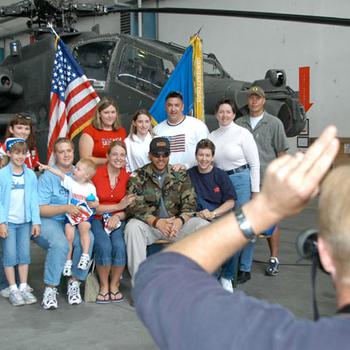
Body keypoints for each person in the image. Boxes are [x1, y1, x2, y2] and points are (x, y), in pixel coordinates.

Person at [134, 126, 348, 350]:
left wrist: (266, 208)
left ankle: (227, 277)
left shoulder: (284, 340)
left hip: (207, 218)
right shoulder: (186, 173)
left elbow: (159, 278)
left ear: (323, 253)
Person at [125, 137, 208, 284]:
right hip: (151, 226)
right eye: (157, 155)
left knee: (204, 227)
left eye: (165, 154)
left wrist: (179, 221)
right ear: (149, 155)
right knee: (132, 227)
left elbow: (190, 203)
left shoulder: (180, 175)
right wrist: (156, 222)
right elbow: (133, 205)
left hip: (176, 225)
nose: (161, 158)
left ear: (170, 155)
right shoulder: (138, 175)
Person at [35, 137, 94, 309]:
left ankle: (74, 282)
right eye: (61, 151)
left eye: (69, 150)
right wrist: (65, 208)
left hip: (73, 221)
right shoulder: (48, 176)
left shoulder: (81, 172)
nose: (66, 155)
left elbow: (88, 196)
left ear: (73, 152)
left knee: (88, 237)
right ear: (55, 154)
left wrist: (91, 203)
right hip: (50, 220)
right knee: (60, 244)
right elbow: (40, 209)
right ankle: (50, 288)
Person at [236, 86, 289, 276]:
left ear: (263, 100)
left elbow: (281, 153)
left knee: (270, 220)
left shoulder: (274, 124)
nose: (254, 101)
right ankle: (242, 261)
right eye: (251, 97)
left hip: (266, 181)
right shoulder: (239, 123)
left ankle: (274, 257)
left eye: (258, 98)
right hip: (244, 179)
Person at [209, 98, 260, 285]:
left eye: (228, 112)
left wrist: (255, 192)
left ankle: (244, 267)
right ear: (216, 114)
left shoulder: (242, 133)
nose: (224, 115)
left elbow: (254, 164)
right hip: (221, 182)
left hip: (240, 180)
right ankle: (227, 267)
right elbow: (206, 159)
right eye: (221, 112)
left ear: (234, 114)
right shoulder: (212, 135)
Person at [188, 139, 237, 292]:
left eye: (207, 155)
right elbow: (185, 200)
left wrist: (214, 213)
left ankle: (226, 277)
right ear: (196, 156)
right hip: (198, 215)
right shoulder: (189, 174)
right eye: (201, 155)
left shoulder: (220, 175)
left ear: (213, 157)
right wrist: (199, 213)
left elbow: (230, 202)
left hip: (219, 213)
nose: (204, 159)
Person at [38, 158, 99, 276]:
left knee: (84, 229)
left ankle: (85, 255)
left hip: (84, 214)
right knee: (68, 235)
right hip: (71, 215)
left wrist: (94, 203)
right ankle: (68, 261)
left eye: (78, 169)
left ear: (86, 175)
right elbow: (60, 174)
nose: (74, 169)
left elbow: (96, 202)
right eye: (76, 167)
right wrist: (48, 168)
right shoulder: (71, 182)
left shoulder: (90, 187)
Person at [91, 141, 135, 303]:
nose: (118, 158)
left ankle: (114, 284)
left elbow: (130, 208)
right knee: (103, 245)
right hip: (97, 219)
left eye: (122, 155)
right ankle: (104, 285)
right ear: (107, 156)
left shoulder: (129, 178)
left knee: (119, 245)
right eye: (115, 154)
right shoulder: (95, 175)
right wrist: (117, 206)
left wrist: (118, 215)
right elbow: (93, 207)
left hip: (119, 219)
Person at [0, 138, 40, 306]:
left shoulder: (30, 174)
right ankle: (13, 289)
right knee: (9, 256)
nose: (20, 156)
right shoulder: (2, 174)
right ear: (9, 153)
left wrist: (36, 221)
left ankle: (23, 287)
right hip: (9, 222)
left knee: (24, 255)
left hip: (25, 223)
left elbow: (33, 200)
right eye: (16, 153)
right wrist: (1, 222)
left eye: (23, 153)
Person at [153, 91, 209, 170]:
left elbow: (207, 153)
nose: (173, 109)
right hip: (167, 177)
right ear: (165, 107)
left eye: (176, 105)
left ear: (182, 107)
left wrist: (186, 166)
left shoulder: (198, 126)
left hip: (193, 174)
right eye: (169, 105)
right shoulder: (157, 130)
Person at [79, 97, 127, 166]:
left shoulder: (121, 131)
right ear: (99, 114)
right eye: (106, 112)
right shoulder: (89, 131)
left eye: (113, 112)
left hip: (117, 172)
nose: (110, 116)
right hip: (95, 173)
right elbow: (84, 159)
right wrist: (110, 160)